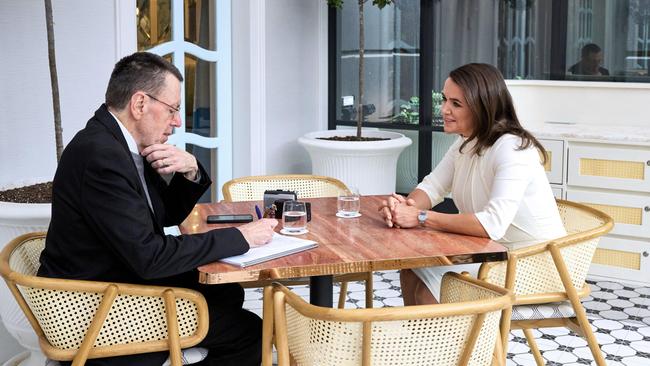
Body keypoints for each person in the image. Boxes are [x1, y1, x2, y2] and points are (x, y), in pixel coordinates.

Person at [38, 52, 278, 366]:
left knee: (226, 294)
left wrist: (190, 171)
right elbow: (150, 257)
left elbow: (162, 215)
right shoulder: (101, 156)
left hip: (116, 278)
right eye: (172, 110)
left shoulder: (120, 145)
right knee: (252, 334)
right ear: (140, 104)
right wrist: (240, 236)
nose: (177, 121)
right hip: (96, 308)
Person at [378, 63, 566, 305]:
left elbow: (492, 224)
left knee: (435, 290)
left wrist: (420, 217)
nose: (444, 109)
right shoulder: (466, 142)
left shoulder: (511, 148)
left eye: (456, 104)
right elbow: (433, 186)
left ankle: (452, 343)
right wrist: (404, 206)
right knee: (412, 271)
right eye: (445, 99)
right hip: (492, 256)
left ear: (482, 108)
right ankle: (422, 342)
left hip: (532, 267)